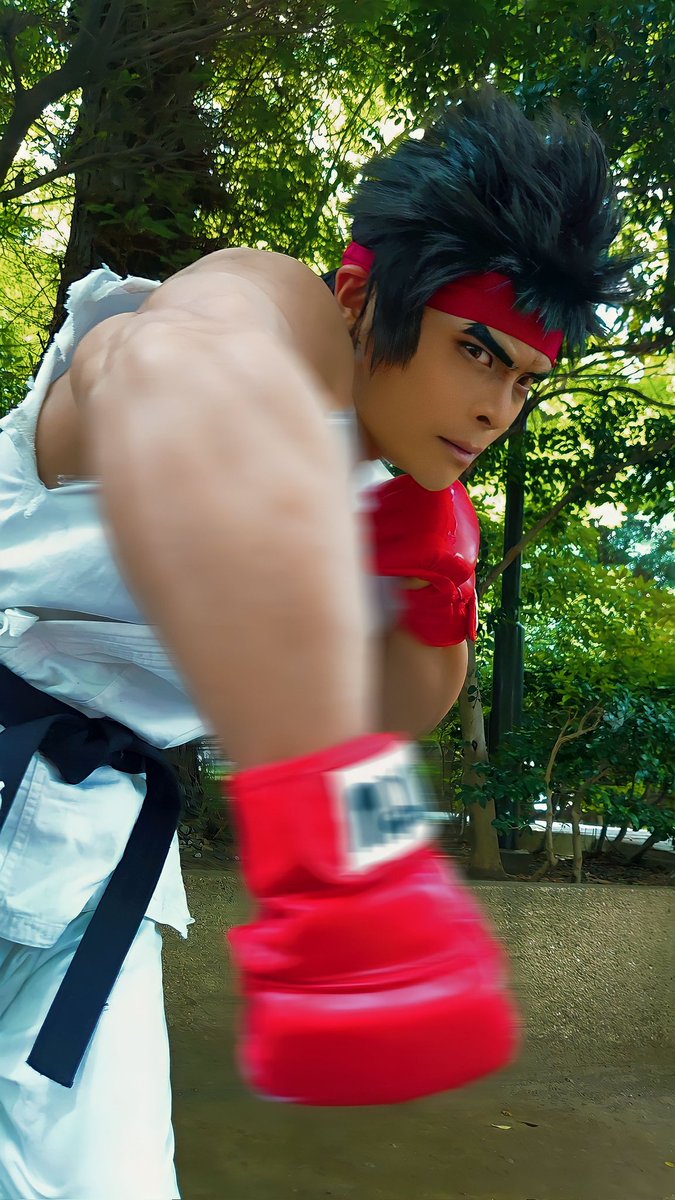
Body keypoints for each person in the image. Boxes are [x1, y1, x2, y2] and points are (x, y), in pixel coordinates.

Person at [0, 86, 632, 1198]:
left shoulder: (386, 497)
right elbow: (161, 369)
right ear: (359, 294)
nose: (498, 410)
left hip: (87, 862)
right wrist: (350, 859)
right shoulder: (268, 309)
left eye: (524, 382)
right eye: (476, 352)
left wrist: (435, 593)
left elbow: (387, 710)